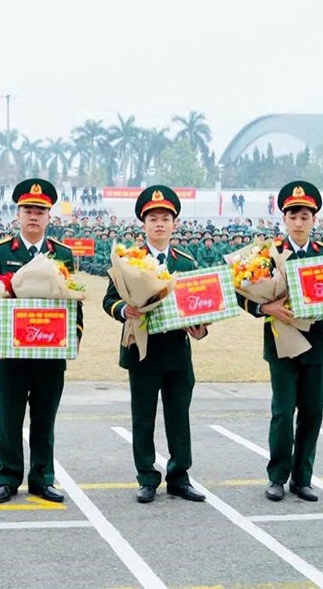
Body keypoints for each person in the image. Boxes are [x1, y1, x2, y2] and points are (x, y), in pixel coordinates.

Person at [238, 181, 323, 502]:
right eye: (293, 216)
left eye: (305, 216)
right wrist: (264, 306)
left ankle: (303, 478)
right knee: (283, 413)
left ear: (315, 220)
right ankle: (277, 477)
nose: (298, 222)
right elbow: (239, 293)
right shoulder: (265, 256)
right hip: (281, 344)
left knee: (313, 413)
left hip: (317, 346)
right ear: (283, 218)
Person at [0, 178, 83, 505]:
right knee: (8, 419)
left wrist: (74, 336)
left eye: (40, 211)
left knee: (44, 420)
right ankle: (7, 478)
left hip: (50, 354)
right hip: (9, 353)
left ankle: (42, 478)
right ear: (17, 215)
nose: (33, 216)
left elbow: (74, 302)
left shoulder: (62, 254)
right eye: (27, 210)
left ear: (49, 216)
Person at [102, 186, 209, 504]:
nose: (159, 223)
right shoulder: (128, 260)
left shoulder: (186, 262)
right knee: (143, 416)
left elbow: (199, 304)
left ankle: (179, 477)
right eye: (153, 218)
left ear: (175, 224)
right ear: (143, 224)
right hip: (142, 350)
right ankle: (147, 477)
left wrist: (200, 328)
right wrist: (124, 310)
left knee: (179, 417)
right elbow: (109, 299)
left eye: (165, 218)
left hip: (177, 350)